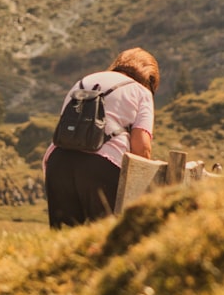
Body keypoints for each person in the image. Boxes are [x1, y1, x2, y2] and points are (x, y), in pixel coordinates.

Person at [43, 47, 159, 228]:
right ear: (150, 80)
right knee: (103, 240)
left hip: (58, 163)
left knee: (65, 240)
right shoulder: (141, 92)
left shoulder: (84, 81)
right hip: (103, 166)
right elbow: (141, 147)